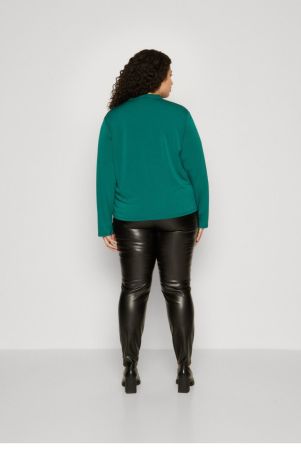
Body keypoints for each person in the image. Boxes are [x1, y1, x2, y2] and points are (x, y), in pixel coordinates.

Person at [96, 49, 209, 394]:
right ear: (156, 76)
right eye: (170, 74)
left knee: (133, 289)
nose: (172, 81)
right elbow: (197, 169)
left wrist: (104, 224)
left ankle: (130, 369)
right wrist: (203, 216)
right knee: (178, 289)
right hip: (179, 215)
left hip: (130, 219)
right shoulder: (179, 115)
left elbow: (105, 175)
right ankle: (184, 369)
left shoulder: (114, 119)